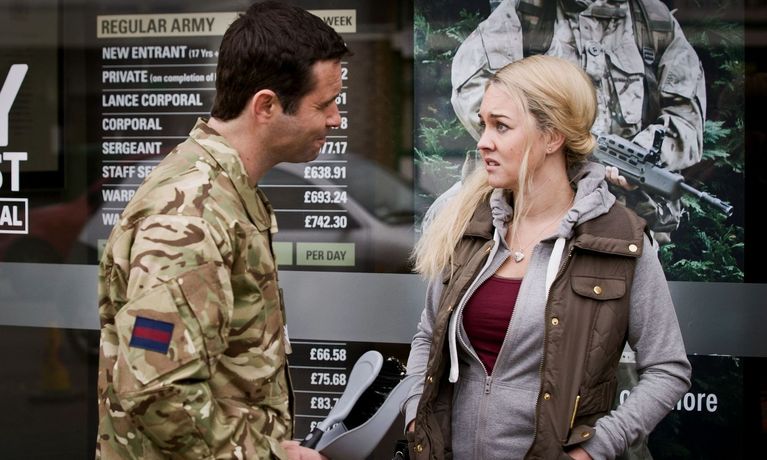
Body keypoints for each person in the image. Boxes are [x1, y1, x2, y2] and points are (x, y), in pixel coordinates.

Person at [403, 55, 691, 459]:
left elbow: (667, 369)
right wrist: (416, 415)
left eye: (501, 126)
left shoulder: (617, 239)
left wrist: (594, 449)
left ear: (552, 137)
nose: (483, 141)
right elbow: (427, 335)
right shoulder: (470, 224)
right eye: (484, 124)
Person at [95, 2, 349, 459]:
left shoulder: (221, 191)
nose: (336, 118)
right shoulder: (190, 218)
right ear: (266, 106)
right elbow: (159, 391)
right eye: (324, 104)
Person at [448, 0, 706, 240]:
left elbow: (686, 116)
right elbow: (480, 97)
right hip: (532, 214)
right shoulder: (528, 11)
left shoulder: (651, 18)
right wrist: (551, 143)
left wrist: (639, 155)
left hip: (628, 223)